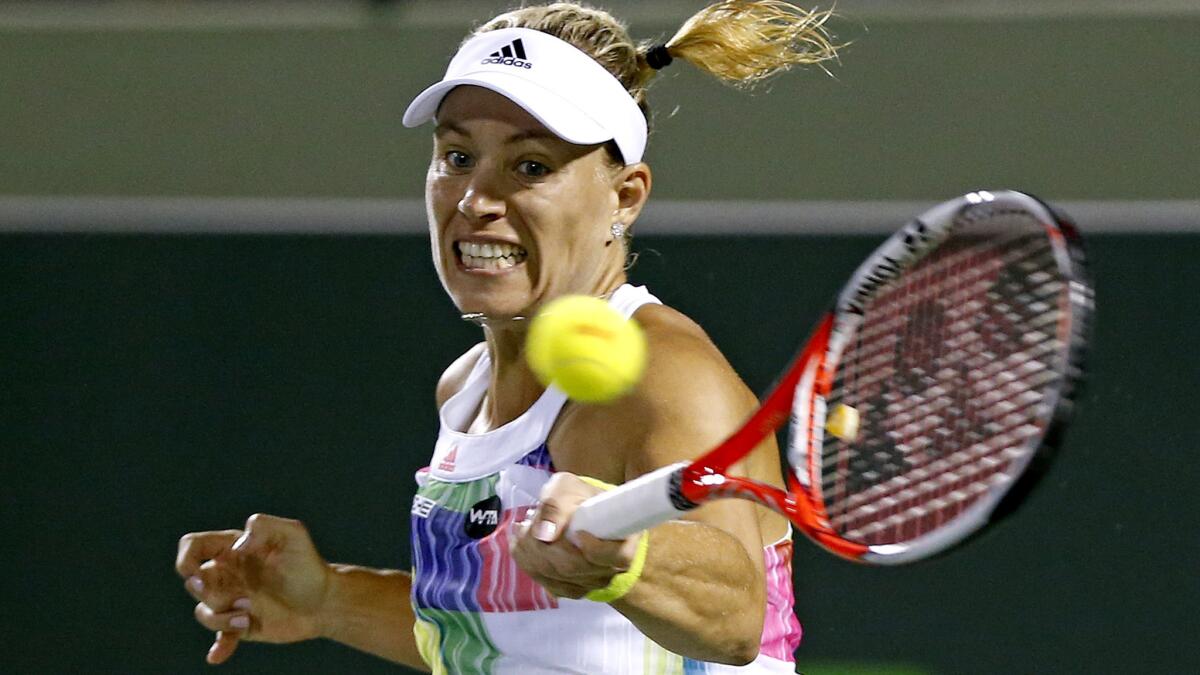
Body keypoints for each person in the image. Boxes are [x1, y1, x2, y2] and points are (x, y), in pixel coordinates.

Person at [176, 2, 840, 672]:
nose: (475, 199)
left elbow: (734, 621)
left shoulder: (659, 372)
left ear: (626, 196)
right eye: (458, 156)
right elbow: (502, 640)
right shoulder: (464, 389)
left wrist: (627, 558)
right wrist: (328, 599)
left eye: (530, 167)